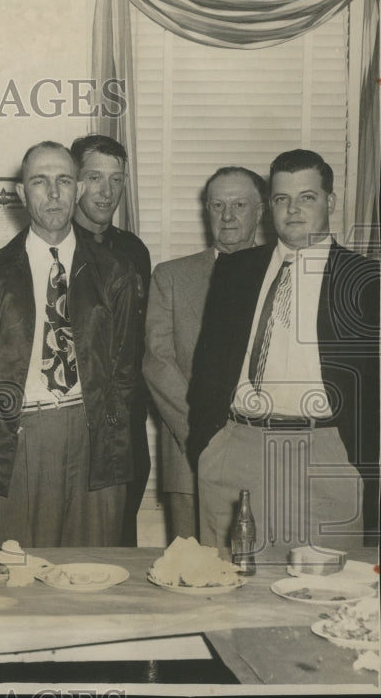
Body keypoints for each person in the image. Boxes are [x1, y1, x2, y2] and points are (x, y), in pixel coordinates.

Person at [188, 149, 379, 551]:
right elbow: (207, 369)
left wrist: (357, 467)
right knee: (226, 594)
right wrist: (208, 445)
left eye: (306, 197)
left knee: (325, 595)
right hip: (236, 449)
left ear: (330, 201)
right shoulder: (235, 271)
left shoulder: (364, 280)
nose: (292, 210)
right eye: (281, 199)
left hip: (325, 454)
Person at [0, 141, 138, 547]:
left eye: (64, 180)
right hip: (19, 434)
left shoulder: (114, 271)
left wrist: (107, 437)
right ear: (22, 194)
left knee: (91, 571)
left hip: (91, 433)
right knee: (15, 571)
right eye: (40, 181)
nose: (54, 193)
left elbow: (125, 370)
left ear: (78, 189)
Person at [143, 167, 265, 542]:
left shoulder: (281, 274)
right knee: (192, 573)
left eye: (239, 205)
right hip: (189, 453)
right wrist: (203, 435)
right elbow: (157, 361)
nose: (227, 216)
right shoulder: (171, 277)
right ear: (206, 210)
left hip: (263, 457)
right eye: (217, 205)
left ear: (260, 212)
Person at [70, 134, 151, 546]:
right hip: (74, 419)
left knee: (121, 534)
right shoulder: (57, 246)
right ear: (74, 181)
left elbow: (140, 339)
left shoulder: (133, 250)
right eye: (95, 177)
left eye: (116, 180)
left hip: (125, 419)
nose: (106, 191)